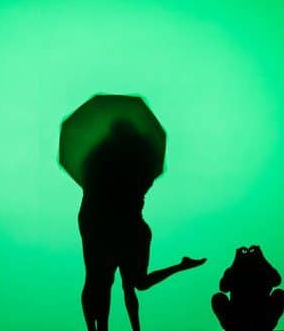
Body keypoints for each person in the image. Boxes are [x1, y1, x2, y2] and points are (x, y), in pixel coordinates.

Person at [79, 120, 206, 331]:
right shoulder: (132, 166)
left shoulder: (108, 165)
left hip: (127, 229)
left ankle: (113, 328)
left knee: (124, 282)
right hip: (118, 228)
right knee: (110, 282)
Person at [211, 246, 284, 331]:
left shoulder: (259, 269)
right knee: (218, 297)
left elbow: (277, 281)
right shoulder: (261, 269)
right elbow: (223, 287)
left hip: (255, 319)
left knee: (280, 293)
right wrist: (262, 259)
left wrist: (236, 263)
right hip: (245, 319)